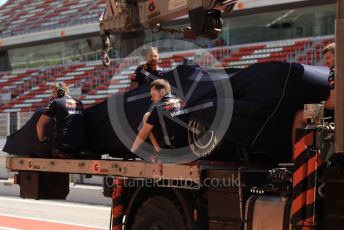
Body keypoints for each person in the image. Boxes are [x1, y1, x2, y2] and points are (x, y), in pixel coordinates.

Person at [292, 43, 335, 144]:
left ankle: (297, 155)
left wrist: (322, 103)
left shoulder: (334, 72)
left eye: (328, 58)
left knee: (299, 116)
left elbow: (332, 104)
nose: (326, 61)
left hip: (335, 114)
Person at [130, 79, 187, 156]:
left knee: (146, 116)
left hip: (172, 148)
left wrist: (132, 151)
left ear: (162, 92)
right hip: (186, 146)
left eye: (153, 95)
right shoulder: (181, 101)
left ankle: (158, 150)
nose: (151, 98)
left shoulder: (159, 107)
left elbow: (143, 134)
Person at [36, 82, 84, 159]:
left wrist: (42, 141)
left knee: (41, 151)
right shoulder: (79, 103)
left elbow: (40, 125)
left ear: (61, 91)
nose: (52, 95)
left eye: (53, 92)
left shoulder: (56, 103)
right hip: (79, 146)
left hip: (62, 147)